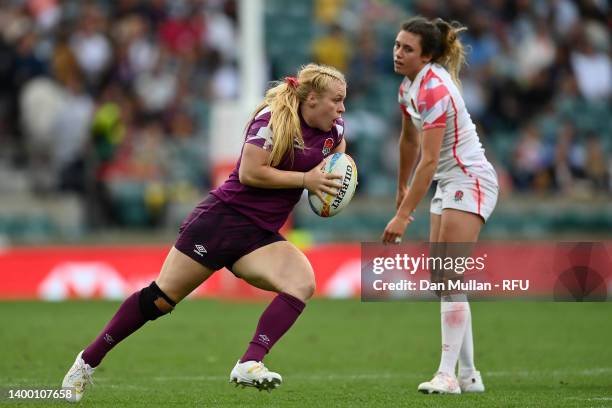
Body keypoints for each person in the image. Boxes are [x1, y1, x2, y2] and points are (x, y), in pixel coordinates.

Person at [61, 63, 347, 401]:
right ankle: (86, 361)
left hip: (259, 235)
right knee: (160, 300)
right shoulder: (272, 120)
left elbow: (332, 175)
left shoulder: (336, 132)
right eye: (337, 100)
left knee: (302, 282)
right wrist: (305, 181)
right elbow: (250, 173)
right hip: (221, 221)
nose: (342, 108)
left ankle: (250, 362)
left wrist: (328, 194)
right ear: (312, 99)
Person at [382, 17, 499, 394]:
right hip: (450, 183)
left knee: (449, 275)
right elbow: (408, 141)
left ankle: (448, 375)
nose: (398, 53)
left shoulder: (434, 88)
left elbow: (430, 161)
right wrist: (401, 184)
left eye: (407, 49)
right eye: (397, 45)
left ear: (427, 55)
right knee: (442, 279)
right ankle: (468, 375)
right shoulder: (409, 87)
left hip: (470, 178)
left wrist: (403, 215)